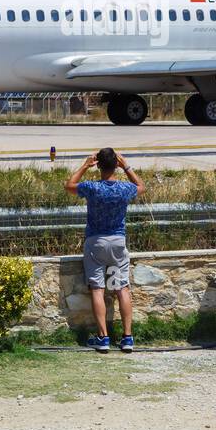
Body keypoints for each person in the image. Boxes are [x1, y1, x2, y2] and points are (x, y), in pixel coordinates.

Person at [66, 147, 145, 353]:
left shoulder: (93, 188)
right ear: (116, 165)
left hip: (96, 241)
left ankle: (103, 337)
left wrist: (85, 165)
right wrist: (126, 166)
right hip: (118, 241)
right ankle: (127, 337)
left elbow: (69, 185)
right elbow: (141, 187)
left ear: (98, 165)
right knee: (121, 288)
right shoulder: (123, 189)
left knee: (98, 289)